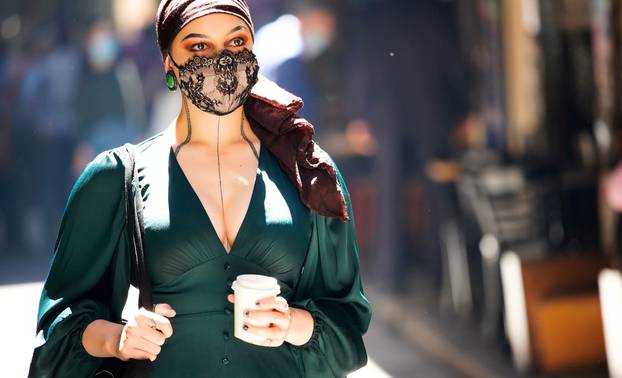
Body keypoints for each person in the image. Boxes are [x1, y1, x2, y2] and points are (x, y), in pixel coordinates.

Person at [28, 1, 371, 377]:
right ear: (168, 64)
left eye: (236, 42)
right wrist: (120, 339)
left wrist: (293, 324)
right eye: (198, 46)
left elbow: (347, 327)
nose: (222, 59)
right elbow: (61, 326)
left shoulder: (309, 173)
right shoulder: (116, 176)